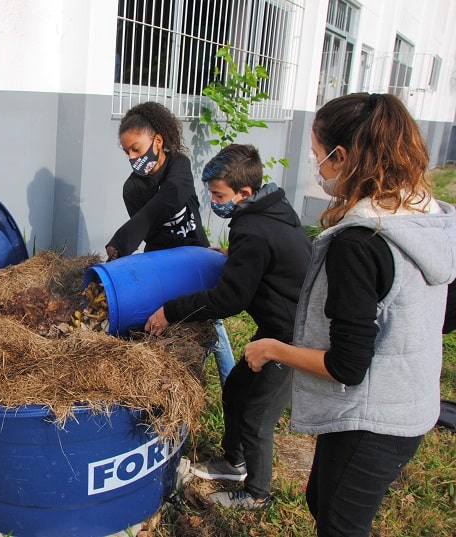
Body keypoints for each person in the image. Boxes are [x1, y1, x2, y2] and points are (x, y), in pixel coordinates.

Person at [244, 92, 456, 536]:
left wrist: (273, 347)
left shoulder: (359, 242)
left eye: (318, 156)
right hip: (412, 404)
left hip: (375, 419)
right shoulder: (427, 216)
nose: (316, 167)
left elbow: (347, 366)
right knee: (323, 500)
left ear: (341, 157)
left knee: (340, 526)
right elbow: (444, 313)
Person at [145, 143, 312, 509]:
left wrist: (171, 311)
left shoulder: (252, 230)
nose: (213, 201)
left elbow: (228, 300)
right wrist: (235, 258)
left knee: (257, 413)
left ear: (244, 193)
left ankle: (256, 493)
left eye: (219, 195)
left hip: (295, 336)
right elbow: (265, 260)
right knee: (237, 387)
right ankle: (234, 462)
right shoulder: (273, 209)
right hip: (279, 322)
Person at [105, 101, 237, 384]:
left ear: (158, 140)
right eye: (127, 152)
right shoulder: (132, 188)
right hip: (162, 266)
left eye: (136, 149)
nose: (132, 157)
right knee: (162, 327)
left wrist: (126, 236)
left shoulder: (178, 166)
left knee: (213, 325)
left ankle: (232, 388)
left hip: (196, 259)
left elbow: (172, 197)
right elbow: (148, 226)